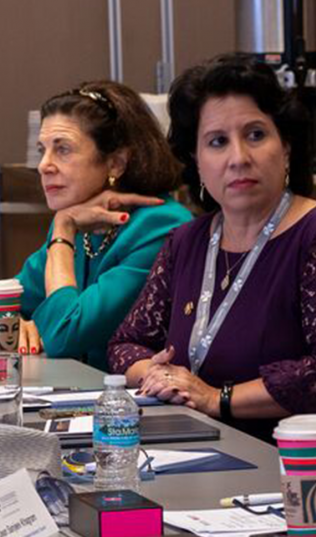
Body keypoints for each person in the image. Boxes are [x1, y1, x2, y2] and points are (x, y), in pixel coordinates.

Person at [107, 53, 316, 498]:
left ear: (285, 145)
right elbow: (125, 343)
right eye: (216, 141)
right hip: (216, 477)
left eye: (255, 135)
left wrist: (217, 398)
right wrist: (153, 375)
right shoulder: (185, 243)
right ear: (194, 160)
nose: (239, 157)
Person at [16, 81, 192, 370]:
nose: (43, 166)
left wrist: (63, 228)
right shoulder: (79, 221)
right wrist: (15, 322)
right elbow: (10, 298)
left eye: (63, 150)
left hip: (141, 407)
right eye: (42, 150)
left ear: (116, 163)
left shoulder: (159, 226)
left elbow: (65, 334)